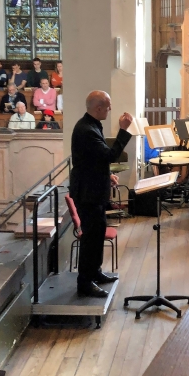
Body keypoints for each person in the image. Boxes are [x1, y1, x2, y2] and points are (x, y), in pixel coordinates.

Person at [70, 91, 133, 297]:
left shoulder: (92, 125)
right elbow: (109, 155)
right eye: (108, 106)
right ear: (98, 108)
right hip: (87, 193)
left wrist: (107, 176)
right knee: (91, 238)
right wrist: (123, 130)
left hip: (94, 189)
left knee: (97, 234)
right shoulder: (86, 129)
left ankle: (95, 272)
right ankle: (84, 283)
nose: (110, 109)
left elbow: (94, 160)